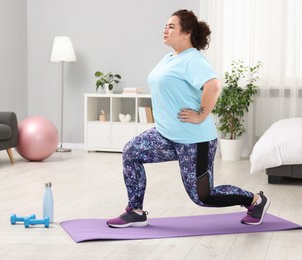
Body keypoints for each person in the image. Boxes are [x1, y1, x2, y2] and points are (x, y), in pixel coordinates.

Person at [107, 9, 270, 228]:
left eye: (171, 26)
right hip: (166, 135)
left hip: (194, 140)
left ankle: (255, 201)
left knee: (203, 196)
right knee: (131, 152)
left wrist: (201, 114)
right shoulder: (170, 57)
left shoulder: (193, 59)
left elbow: (213, 85)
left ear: (187, 33)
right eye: (165, 26)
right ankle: (135, 211)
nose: (165, 29)